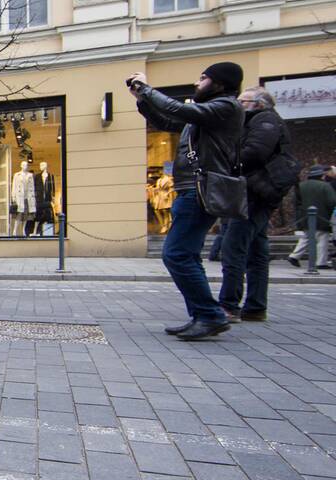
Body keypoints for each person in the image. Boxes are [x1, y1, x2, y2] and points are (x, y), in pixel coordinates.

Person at [129, 62, 245, 341]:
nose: (197, 82)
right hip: (191, 188)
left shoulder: (226, 107)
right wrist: (142, 100)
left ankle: (210, 314)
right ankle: (203, 315)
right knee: (188, 255)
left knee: (176, 254)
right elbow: (167, 122)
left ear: (219, 84)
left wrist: (147, 88)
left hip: (199, 188)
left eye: (203, 78)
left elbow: (177, 110)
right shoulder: (208, 114)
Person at [218, 88, 289, 322]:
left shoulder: (265, 120)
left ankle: (229, 306)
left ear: (257, 104)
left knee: (233, 247)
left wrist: (224, 161)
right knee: (257, 250)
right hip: (257, 191)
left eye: (242, 101)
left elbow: (255, 152)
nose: (238, 105)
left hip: (253, 192)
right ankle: (256, 307)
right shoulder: (261, 121)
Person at [287, 164, 336, 268]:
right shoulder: (325, 186)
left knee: (307, 237)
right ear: (321, 176)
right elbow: (332, 202)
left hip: (304, 216)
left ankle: (294, 256)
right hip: (322, 217)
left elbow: (296, 202)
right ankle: (321, 263)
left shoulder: (301, 185)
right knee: (322, 239)